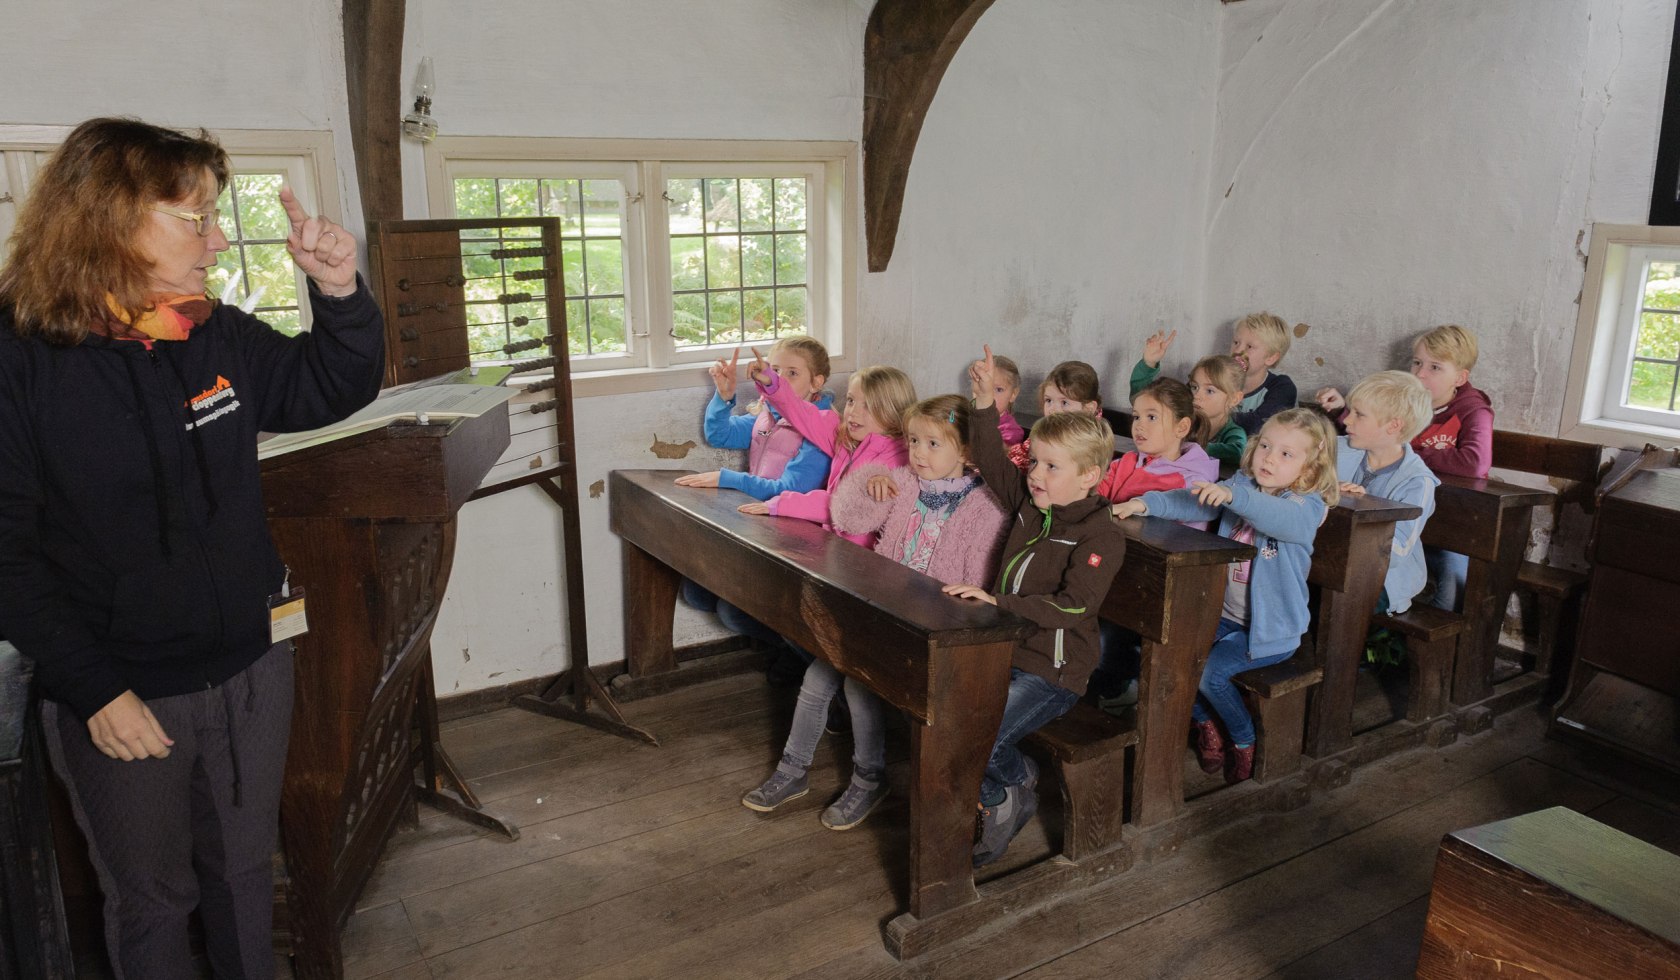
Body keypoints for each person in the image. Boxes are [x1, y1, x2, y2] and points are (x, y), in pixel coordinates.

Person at [0, 117, 384, 979]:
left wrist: (341, 291)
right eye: (194, 217)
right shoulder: (21, 358)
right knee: (153, 903)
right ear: (111, 220)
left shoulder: (202, 328)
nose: (215, 239)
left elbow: (328, 385)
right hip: (125, 691)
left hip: (251, 668)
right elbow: (6, 556)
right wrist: (96, 689)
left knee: (246, 877)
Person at [740, 395, 1009, 830]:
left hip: (933, 630)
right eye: (914, 441)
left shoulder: (985, 507)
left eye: (933, 444)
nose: (919, 453)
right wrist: (872, 481)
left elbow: (972, 588)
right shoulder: (902, 482)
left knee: (856, 683)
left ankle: (868, 778)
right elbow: (847, 516)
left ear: (966, 452)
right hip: (883, 614)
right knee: (817, 675)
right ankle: (792, 770)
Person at [949, 346, 1125, 867]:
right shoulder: (1031, 505)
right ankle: (1012, 780)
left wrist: (997, 600)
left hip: (1054, 670)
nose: (1036, 473)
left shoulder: (1100, 535)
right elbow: (990, 458)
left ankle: (1005, 793)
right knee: (955, 722)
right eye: (1036, 462)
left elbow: (1074, 609)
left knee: (978, 739)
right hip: (1009, 651)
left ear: (1090, 476)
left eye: (1052, 467)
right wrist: (983, 402)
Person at [1115, 408, 1338, 784]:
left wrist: (1233, 494)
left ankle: (1244, 739)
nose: (1269, 457)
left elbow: (1279, 518)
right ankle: (1206, 724)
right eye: (1265, 445)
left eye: (1286, 453)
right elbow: (1196, 500)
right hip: (1225, 616)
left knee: (1210, 676)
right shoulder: (1245, 487)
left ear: (1311, 468)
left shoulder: (1307, 506)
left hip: (1271, 631)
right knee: (1172, 657)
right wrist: (1146, 503)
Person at [675, 339, 833, 681]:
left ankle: (809, 659)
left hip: (793, 533)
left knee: (732, 612)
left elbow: (791, 490)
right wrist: (724, 396)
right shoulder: (767, 415)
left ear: (817, 381)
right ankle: (791, 648)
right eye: (775, 370)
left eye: (792, 373)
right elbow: (719, 434)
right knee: (696, 591)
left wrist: (727, 477)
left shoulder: (820, 427)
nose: (780, 379)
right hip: (757, 523)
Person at [1317, 324, 1490, 610]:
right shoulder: (1356, 442)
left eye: (1434, 367)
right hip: (1343, 551)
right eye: (1417, 362)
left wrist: (1416, 452)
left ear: (1459, 377)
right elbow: (1370, 434)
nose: (1420, 373)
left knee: (1452, 582)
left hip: (1438, 526)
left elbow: (1474, 463)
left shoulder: (1472, 411)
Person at [1089, 377, 1218, 711]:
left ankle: (1122, 685)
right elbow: (1098, 492)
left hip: (1159, 581)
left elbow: (1182, 508)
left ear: (1182, 426)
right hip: (1119, 566)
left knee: (1109, 636)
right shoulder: (1129, 462)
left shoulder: (1193, 477)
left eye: (1151, 417)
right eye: (1135, 416)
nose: (1139, 426)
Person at [1332, 371, 1439, 615]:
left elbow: (1398, 552)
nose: (1347, 421)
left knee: (1328, 593)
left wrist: (1354, 503)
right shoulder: (1338, 448)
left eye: (1359, 414)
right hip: (1331, 560)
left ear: (1394, 425)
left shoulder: (1417, 482)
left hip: (1384, 580)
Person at [1006, 359, 1103, 472]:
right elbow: (1024, 452)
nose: (1053, 410)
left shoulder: (1087, 442)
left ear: (1088, 409)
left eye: (1064, 403)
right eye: (1049, 400)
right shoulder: (1047, 428)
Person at [1227, 312, 1298, 435]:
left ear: (1271, 357)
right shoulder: (1216, 379)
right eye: (1236, 342)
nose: (1238, 350)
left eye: (1249, 346)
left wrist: (1213, 417)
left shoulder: (1282, 387)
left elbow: (1260, 426)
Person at [1186, 354, 1248, 465]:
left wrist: (1186, 446)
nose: (1196, 396)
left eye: (1209, 391)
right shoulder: (1184, 421)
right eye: (1194, 387)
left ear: (1234, 399)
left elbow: (1237, 452)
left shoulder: (1233, 433)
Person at [985, 353, 1026, 446]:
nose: (989, 396)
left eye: (998, 389)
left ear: (1013, 394)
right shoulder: (966, 416)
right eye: (983, 387)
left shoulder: (1011, 433)